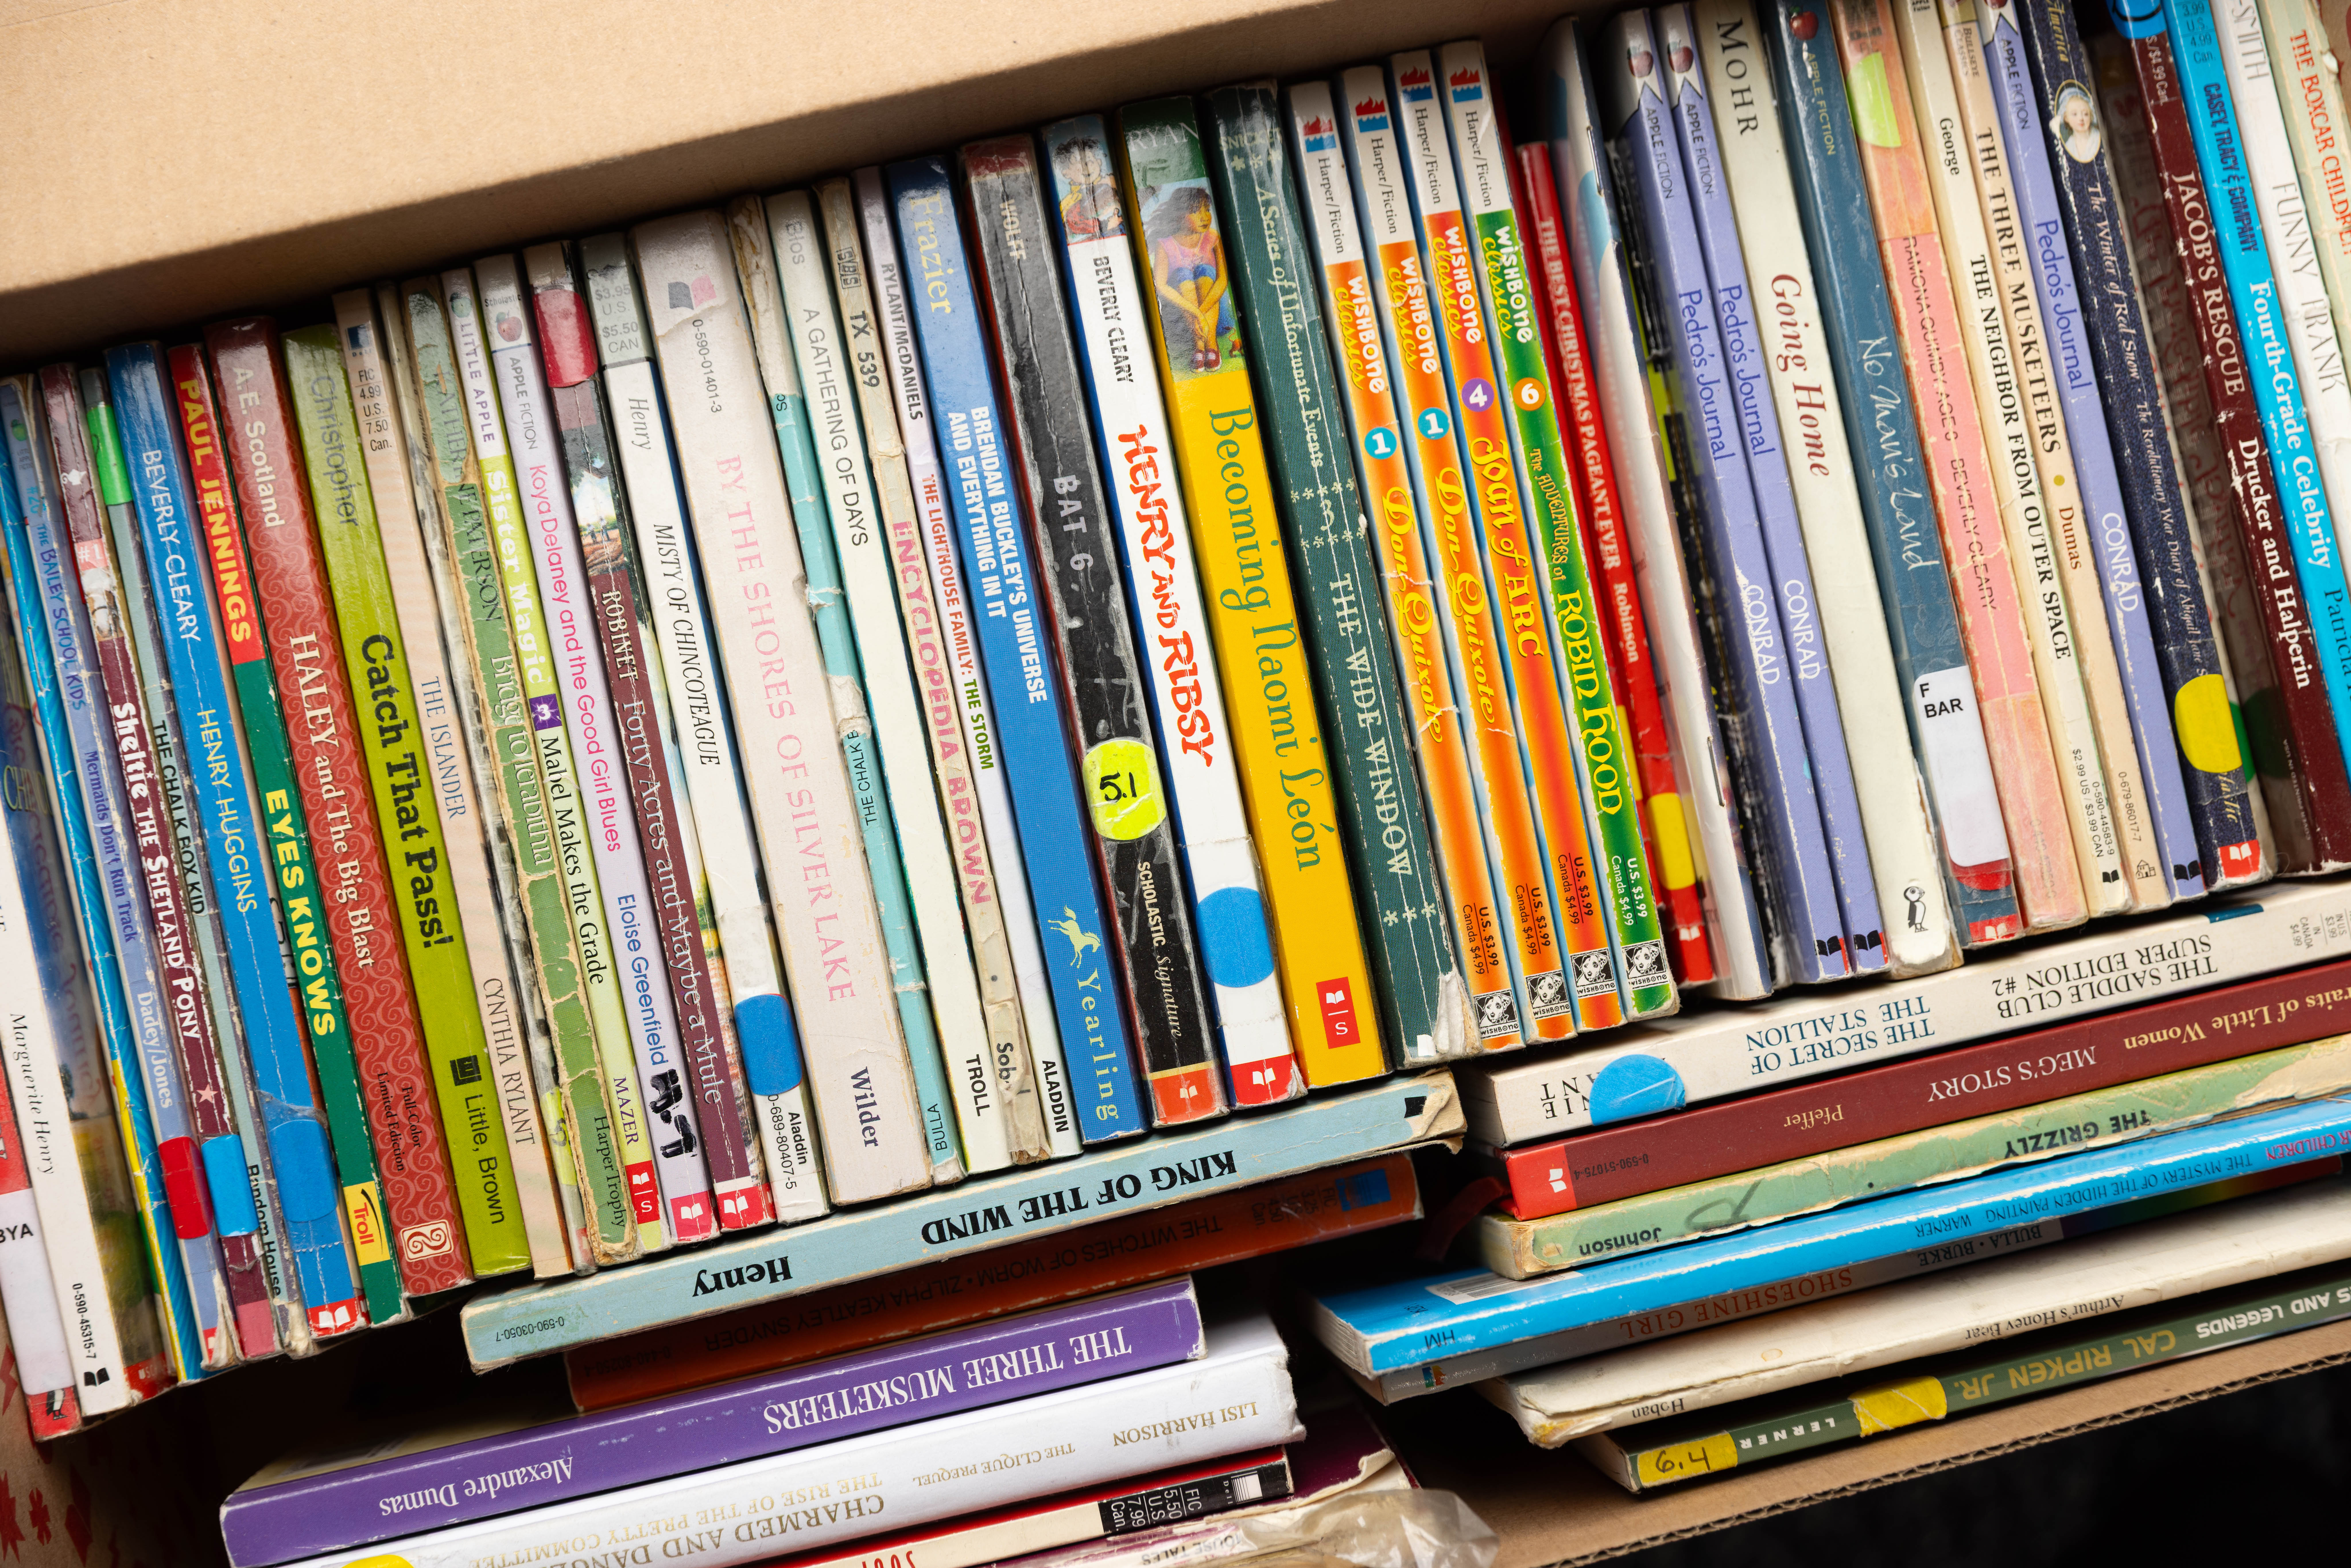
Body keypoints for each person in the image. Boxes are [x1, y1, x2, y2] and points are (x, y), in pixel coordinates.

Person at [1148, 184, 1234, 371]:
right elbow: (1161, 286)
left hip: (1217, 318)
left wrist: (1201, 314)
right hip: (1184, 322)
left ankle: (1210, 345)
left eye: (1207, 210)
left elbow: (1223, 280)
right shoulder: (1165, 245)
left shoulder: (1213, 238)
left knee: (1205, 271)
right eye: (1195, 212)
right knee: (1182, 274)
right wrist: (1196, 315)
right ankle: (1199, 347)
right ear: (1180, 215)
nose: (1205, 217)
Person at [1052, 135, 1125, 243]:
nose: (1087, 165)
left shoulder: (1112, 183)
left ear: (1099, 163)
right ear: (1066, 172)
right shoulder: (1067, 203)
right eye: (1079, 162)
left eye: (1091, 159)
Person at [2050, 84, 2102, 165]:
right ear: (2067, 118)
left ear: (2091, 115)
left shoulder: (2097, 138)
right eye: (2075, 114)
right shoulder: (2069, 144)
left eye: (2085, 114)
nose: (2081, 119)